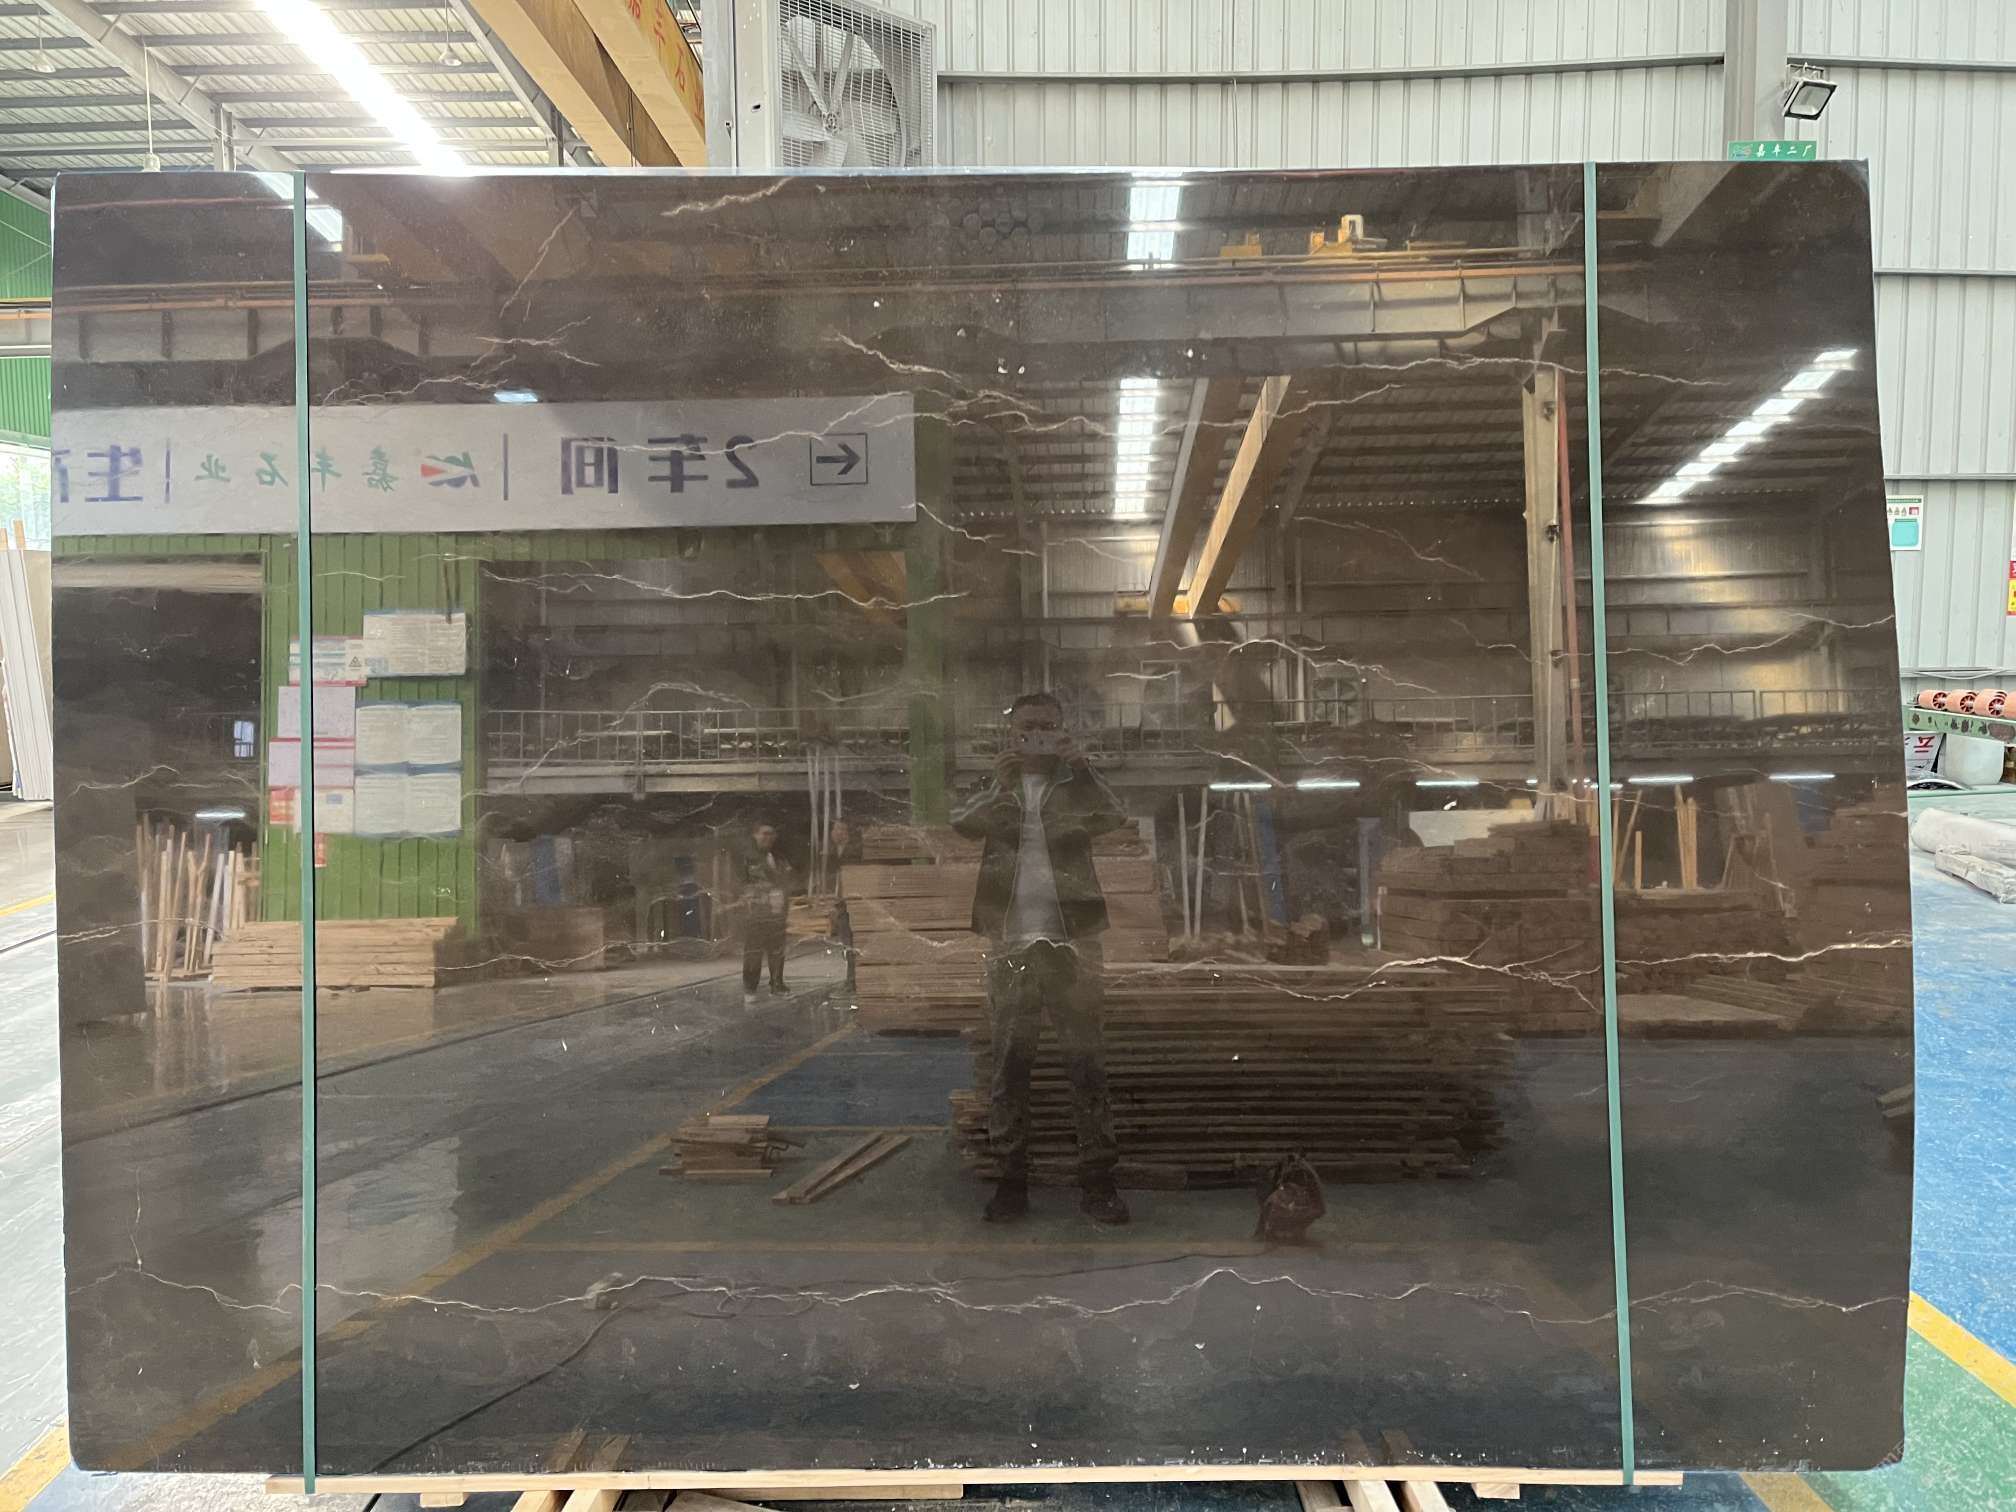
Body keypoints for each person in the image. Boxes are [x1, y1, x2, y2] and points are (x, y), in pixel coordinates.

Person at [951, 691, 1130, 1225]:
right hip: (1011, 944)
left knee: (1087, 1067)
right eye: (1028, 726)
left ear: (1062, 732)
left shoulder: (1075, 785)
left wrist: (1085, 769)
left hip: (1075, 945)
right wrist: (998, 784)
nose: (1037, 736)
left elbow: (1115, 816)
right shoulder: (996, 785)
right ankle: (1011, 1184)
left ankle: (1098, 1183)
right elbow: (962, 824)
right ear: (1012, 733)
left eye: (1048, 727)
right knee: (1010, 1066)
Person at [738, 821, 797, 1006]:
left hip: (777, 911)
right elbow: (740, 883)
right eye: (764, 833)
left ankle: (777, 984)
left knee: (777, 951)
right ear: (755, 835)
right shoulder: (747, 858)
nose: (768, 838)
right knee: (753, 952)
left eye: (771, 834)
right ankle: (750, 988)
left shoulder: (779, 857)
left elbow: (787, 880)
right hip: (756, 913)